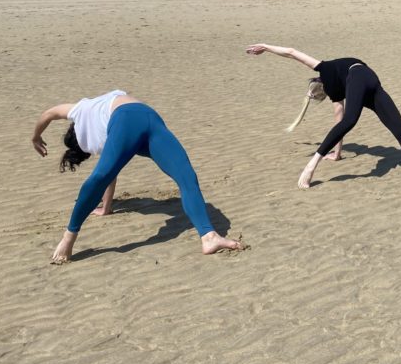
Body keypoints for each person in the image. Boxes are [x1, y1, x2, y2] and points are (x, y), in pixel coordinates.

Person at [31, 90, 243, 264]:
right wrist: (106, 208)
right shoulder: (92, 114)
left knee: (103, 175)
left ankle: (209, 237)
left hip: (130, 119)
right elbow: (49, 114)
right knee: (187, 177)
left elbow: (49, 113)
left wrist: (35, 137)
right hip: (150, 118)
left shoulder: (78, 112)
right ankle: (208, 235)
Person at [245, 44, 401, 188]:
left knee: (380, 126)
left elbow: (292, 52)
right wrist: (337, 154)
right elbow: (340, 125)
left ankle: (310, 166)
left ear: (317, 83)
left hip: (360, 76)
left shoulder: (325, 69)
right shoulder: (338, 93)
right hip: (372, 81)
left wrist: (265, 47)